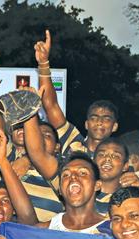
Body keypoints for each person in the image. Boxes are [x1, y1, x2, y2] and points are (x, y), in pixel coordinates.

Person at [36, 30, 118, 158]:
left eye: (106, 119)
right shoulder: (72, 140)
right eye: (94, 118)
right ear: (86, 124)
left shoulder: (117, 156)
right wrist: (43, 63)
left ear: (115, 126)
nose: (99, 122)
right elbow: (50, 105)